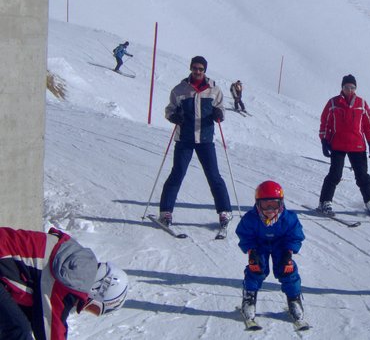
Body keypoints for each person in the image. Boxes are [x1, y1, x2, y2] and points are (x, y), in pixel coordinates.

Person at [0, 226, 129, 340]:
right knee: (17, 329)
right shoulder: (75, 277)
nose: (85, 309)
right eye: (94, 308)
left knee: (20, 322)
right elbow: (51, 323)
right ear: (99, 287)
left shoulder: (77, 267)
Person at [158, 56, 233, 230]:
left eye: (200, 69)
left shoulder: (214, 89)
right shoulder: (180, 90)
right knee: (177, 174)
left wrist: (218, 114)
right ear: (191, 68)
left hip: (205, 139)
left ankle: (225, 211)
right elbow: (169, 109)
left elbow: (221, 108)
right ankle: (166, 211)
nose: (197, 71)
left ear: (205, 70)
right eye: (195, 68)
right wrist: (173, 117)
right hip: (184, 139)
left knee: (214, 175)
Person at [236, 181, 306, 323]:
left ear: (280, 203)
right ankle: (249, 297)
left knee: (287, 268)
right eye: (265, 205)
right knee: (256, 268)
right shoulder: (251, 218)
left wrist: (289, 252)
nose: (269, 209)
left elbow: (295, 235)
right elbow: (245, 235)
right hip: (259, 245)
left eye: (273, 204)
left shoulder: (288, 218)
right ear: (257, 204)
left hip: (281, 246)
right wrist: (251, 251)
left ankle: (294, 298)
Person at [317, 74, 370, 217]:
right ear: (342, 88)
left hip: (357, 145)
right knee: (335, 174)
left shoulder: (361, 104)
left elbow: (368, 124)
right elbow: (324, 121)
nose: (349, 90)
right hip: (337, 144)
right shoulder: (333, 103)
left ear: (355, 88)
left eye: (352, 87)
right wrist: (324, 140)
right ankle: (325, 202)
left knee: (362, 175)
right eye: (346, 87)